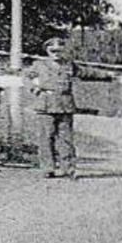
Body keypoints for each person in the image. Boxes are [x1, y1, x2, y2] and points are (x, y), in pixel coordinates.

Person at [27, 35, 79, 178]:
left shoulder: (69, 64)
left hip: (65, 105)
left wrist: (111, 75)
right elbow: (26, 77)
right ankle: (48, 168)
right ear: (47, 51)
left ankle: (69, 168)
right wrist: (34, 88)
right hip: (46, 105)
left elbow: (87, 73)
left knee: (66, 138)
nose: (56, 53)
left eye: (59, 50)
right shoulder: (39, 65)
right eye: (52, 50)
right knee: (46, 138)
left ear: (63, 50)